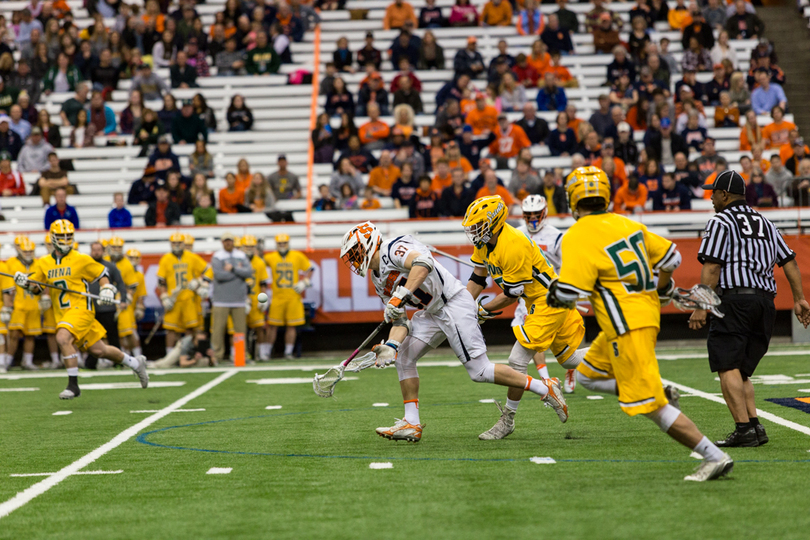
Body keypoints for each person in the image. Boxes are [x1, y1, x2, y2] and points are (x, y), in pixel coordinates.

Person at [547, 166, 733, 482]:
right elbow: (671, 259)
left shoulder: (577, 235)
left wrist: (552, 292)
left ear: (573, 199)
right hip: (640, 316)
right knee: (587, 376)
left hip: (626, 324)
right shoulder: (626, 223)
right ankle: (657, 389)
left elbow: (567, 294)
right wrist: (661, 287)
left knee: (650, 406)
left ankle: (714, 457)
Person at [339, 220, 568, 442]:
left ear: (367, 244)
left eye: (354, 253)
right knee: (404, 357)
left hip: (453, 303)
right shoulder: (378, 279)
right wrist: (391, 346)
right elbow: (400, 323)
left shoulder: (391, 250)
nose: (353, 260)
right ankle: (411, 423)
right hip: (433, 312)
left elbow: (423, 262)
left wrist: (402, 294)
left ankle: (545, 387)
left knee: (479, 371)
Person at [691, 170, 810, 447]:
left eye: (713, 193)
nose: (711, 198)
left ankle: (743, 428)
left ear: (724, 195)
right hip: (765, 304)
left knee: (727, 364)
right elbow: (789, 262)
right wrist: (800, 298)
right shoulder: (766, 222)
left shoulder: (721, 221)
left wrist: (701, 305)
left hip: (734, 300)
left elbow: (712, 265)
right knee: (741, 370)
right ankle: (755, 427)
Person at [15, 220, 148, 399]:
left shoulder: (81, 258)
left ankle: (73, 385)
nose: (65, 240)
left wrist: (107, 288)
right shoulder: (44, 263)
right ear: (53, 238)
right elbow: (37, 287)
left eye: (68, 237)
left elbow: (102, 275)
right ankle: (135, 363)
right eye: (61, 237)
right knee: (100, 350)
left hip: (81, 309)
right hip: (64, 313)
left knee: (62, 337)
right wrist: (25, 283)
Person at [156, 232, 211, 355]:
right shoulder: (166, 259)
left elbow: (208, 269)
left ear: (183, 243)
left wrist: (200, 282)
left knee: (190, 328)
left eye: (179, 243)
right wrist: (164, 296)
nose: (176, 245)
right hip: (173, 299)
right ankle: (170, 355)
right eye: (174, 243)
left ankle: (186, 353)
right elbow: (161, 281)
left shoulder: (191, 257)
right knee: (170, 329)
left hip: (188, 298)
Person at [264, 233, 313, 359]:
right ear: (276, 244)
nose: (282, 245)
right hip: (277, 296)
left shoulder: (297, 255)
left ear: (288, 243)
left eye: (284, 243)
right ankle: (266, 352)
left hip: (293, 296)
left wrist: (305, 281)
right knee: (272, 326)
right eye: (280, 243)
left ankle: (288, 352)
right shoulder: (271, 257)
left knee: (292, 326)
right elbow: (258, 264)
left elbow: (310, 268)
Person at [82, 240, 129, 370]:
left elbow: (120, 284)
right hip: (91, 308)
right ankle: (90, 363)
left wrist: (123, 299)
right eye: (94, 249)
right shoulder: (85, 265)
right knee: (92, 337)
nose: (96, 252)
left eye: (98, 249)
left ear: (103, 251)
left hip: (108, 308)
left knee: (113, 336)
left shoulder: (110, 267)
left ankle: (118, 361)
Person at [209, 233, 253, 363]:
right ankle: (216, 356)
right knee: (218, 330)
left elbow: (249, 272)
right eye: (225, 241)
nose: (228, 243)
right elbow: (219, 275)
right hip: (220, 299)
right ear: (222, 242)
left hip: (239, 298)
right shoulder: (217, 256)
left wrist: (232, 269)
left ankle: (241, 356)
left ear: (234, 242)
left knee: (240, 330)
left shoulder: (241, 255)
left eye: (230, 241)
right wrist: (238, 273)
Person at [2, 237, 41, 371]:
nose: (29, 254)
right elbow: (9, 287)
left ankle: (27, 361)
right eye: (26, 251)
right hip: (18, 305)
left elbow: (43, 282)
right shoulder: (11, 264)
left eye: (31, 251)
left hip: (33, 304)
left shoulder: (38, 264)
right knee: (14, 335)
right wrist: (8, 305)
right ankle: (8, 361)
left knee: (31, 335)